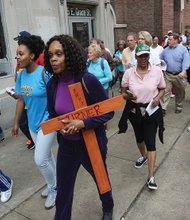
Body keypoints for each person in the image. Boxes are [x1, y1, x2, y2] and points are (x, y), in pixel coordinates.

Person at [44, 34, 114, 220]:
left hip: (90, 144)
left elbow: (108, 112)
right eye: (50, 55)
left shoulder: (87, 80)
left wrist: (83, 123)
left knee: (101, 179)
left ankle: (108, 207)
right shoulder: (52, 84)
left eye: (59, 54)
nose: (53, 59)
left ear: (70, 55)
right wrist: (61, 127)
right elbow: (53, 115)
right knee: (63, 192)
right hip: (67, 146)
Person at [12, 35, 56, 209]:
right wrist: (16, 124)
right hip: (32, 124)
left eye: (20, 54)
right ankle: (54, 182)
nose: (17, 57)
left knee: (40, 160)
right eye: (16, 54)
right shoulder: (21, 75)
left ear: (31, 56)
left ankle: (55, 188)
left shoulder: (45, 73)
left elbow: (55, 96)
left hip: (47, 122)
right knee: (48, 157)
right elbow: (21, 100)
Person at [119, 44, 166, 189]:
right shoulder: (128, 73)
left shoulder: (157, 71)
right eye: (141, 56)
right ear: (136, 57)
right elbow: (123, 93)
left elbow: (162, 88)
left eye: (146, 55)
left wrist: (158, 98)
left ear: (149, 56)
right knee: (139, 138)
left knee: (151, 141)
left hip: (151, 111)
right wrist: (128, 95)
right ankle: (144, 156)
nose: (144, 58)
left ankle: (151, 177)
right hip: (135, 111)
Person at [160, 32, 190, 115]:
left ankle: (179, 106)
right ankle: (163, 108)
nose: (168, 41)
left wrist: (184, 71)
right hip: (168, 74)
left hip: (179, 75)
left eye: (170, 39)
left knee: (180, 92)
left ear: (176, 40)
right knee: (165, 91)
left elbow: (186, 60)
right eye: (168, 39)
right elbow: (160, 60)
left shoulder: (183, 49)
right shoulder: (165, 50)